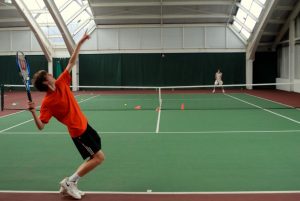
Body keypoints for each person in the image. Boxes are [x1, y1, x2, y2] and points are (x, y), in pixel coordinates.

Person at [28, 32, 105, 200]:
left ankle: (70, 183)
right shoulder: (48, 102)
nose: (51, 74)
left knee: (95, 157)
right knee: (99, 158)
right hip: (78, 132)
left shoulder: (62, 81)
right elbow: (41, 126)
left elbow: (71, 61)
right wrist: (33, 111)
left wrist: (79, 43)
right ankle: (70, 182)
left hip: (85, 124)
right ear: (45, 82)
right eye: (48, 75)